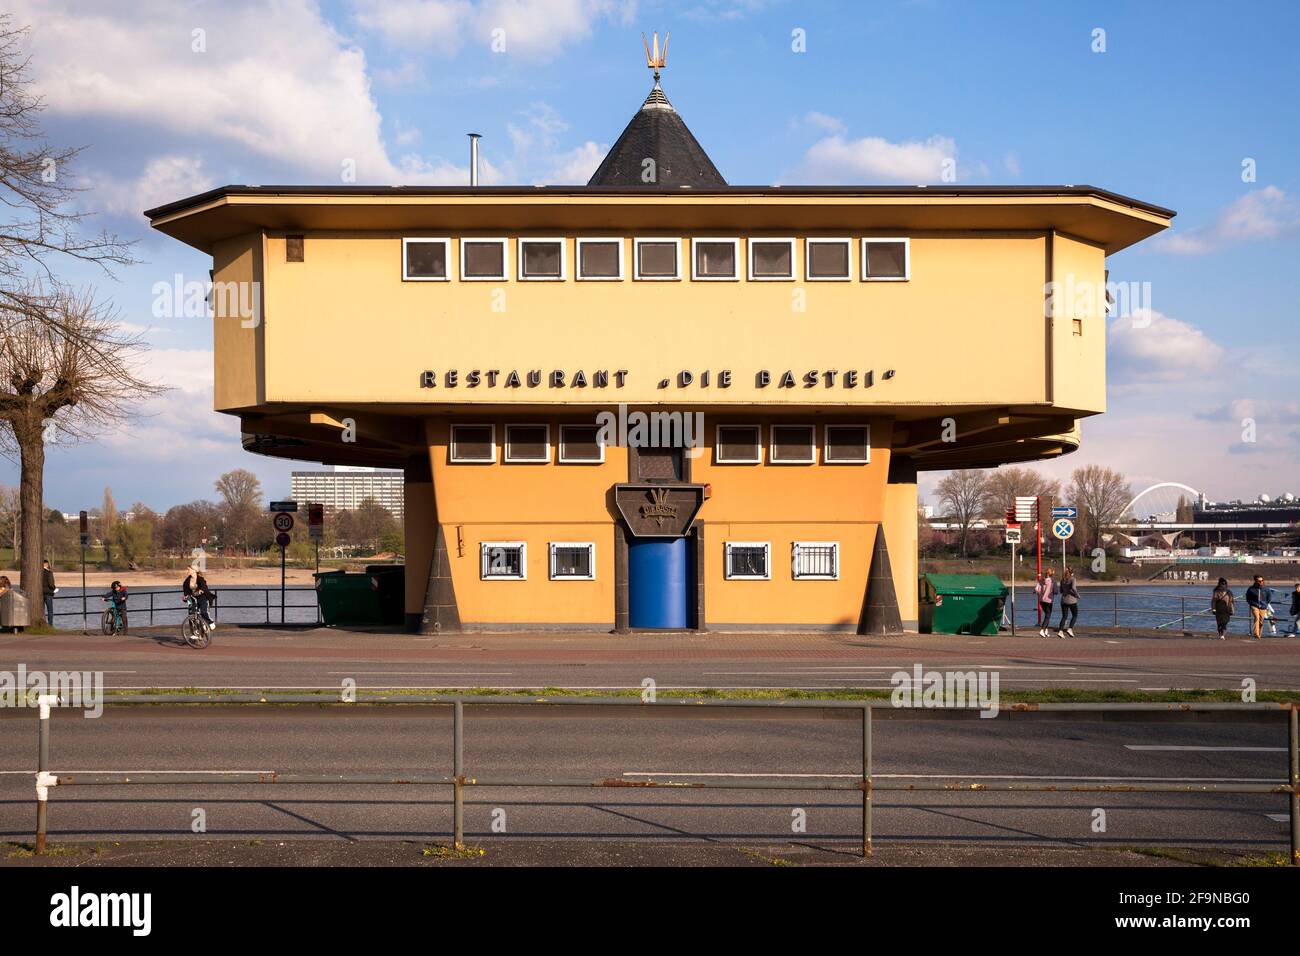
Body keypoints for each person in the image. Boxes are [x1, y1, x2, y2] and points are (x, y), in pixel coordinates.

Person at [183, 564, 214, 630]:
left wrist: (201, 590)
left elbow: (204, 587)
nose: (187, 571)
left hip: (202, 597)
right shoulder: (186, 582)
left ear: (194, 570)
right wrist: (185, 597)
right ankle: (194, 632)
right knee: (191, 615)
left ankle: (210, 622)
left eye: (189, 569)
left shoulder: (200, 579)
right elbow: (186, 593)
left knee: (203, 612)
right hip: (192, 598)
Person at [1244, 574, 1273, 641]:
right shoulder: (1251, 588)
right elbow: (1248, 597)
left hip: (1263, 606)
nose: (1261, 582)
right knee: (1256, 618)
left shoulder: (1266, 589)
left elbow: (1269, 597)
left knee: (1261, 621)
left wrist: (1266, 604)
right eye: (1259, 581)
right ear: (1256, 581)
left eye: (1262, 580)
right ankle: (1256, 633)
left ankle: (1259, 634)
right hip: (1254, 606)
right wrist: (1251, 603)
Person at [1058, 566, 1079, 638]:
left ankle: (1060, 631)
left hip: (1063, 600)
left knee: (1064, 616)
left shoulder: (1062, 580)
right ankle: (1070, 628)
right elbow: (1073, 588)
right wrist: (1077, 595)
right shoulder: (1073, 579)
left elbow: (1060, 591)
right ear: (1072, 572)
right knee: (1075, 614)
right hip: (1071, 600)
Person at [1035, 566, 1057, 637]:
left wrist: (1040, 593)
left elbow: (1036, 588)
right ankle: (1042, 630)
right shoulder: (1052, 581)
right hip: (1048, 600)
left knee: (1047, 615)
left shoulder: (1041, 579)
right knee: (1048, 615)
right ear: (1051, 574)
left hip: (1041, 600)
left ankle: (1046, 630)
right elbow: (1055, 591)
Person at [41, 559, 56, 626]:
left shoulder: (39, 572)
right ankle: (50, 624)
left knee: (42, 609)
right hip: (48, 593)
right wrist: (54, 588)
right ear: (46, 564)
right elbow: (51, 584)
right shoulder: (49, 572)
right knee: (50, 610)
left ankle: (42, 622)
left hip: (41, 592)